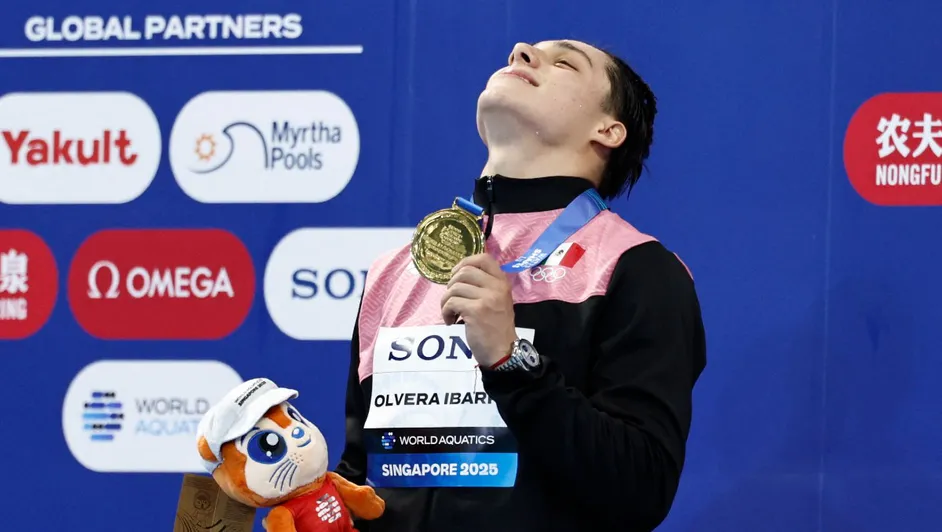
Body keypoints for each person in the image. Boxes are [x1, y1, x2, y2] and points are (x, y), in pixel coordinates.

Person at [335, 39, 706, 532]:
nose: (520, 52)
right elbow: (363, 480)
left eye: (565, 62)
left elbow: (641, 486)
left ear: (608, 130)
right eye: (521, 53)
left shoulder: (635, 268)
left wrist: (511, 362)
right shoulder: (394, 270)